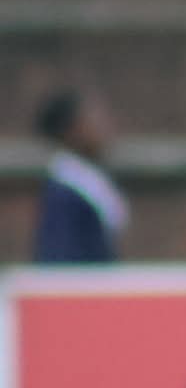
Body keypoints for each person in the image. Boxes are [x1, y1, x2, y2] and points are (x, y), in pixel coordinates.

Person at [30, 89, 127, 264]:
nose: (104, 127)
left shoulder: (89, 180)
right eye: (94, 120)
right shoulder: (65, 192)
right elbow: (59, 257)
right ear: (71, 130)